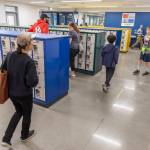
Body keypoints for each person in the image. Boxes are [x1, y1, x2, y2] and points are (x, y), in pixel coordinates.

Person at [1, 33, 39, 148]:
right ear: (27, 45)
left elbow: (3, 68)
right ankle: (24, 135)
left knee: (18, 112)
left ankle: (6, 138)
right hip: (24, 95)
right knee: (26, 114)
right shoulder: (29, 61)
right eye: (32, 41)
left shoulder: (10, 55)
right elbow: (31, 82)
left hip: (12, 93)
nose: (34, 43)